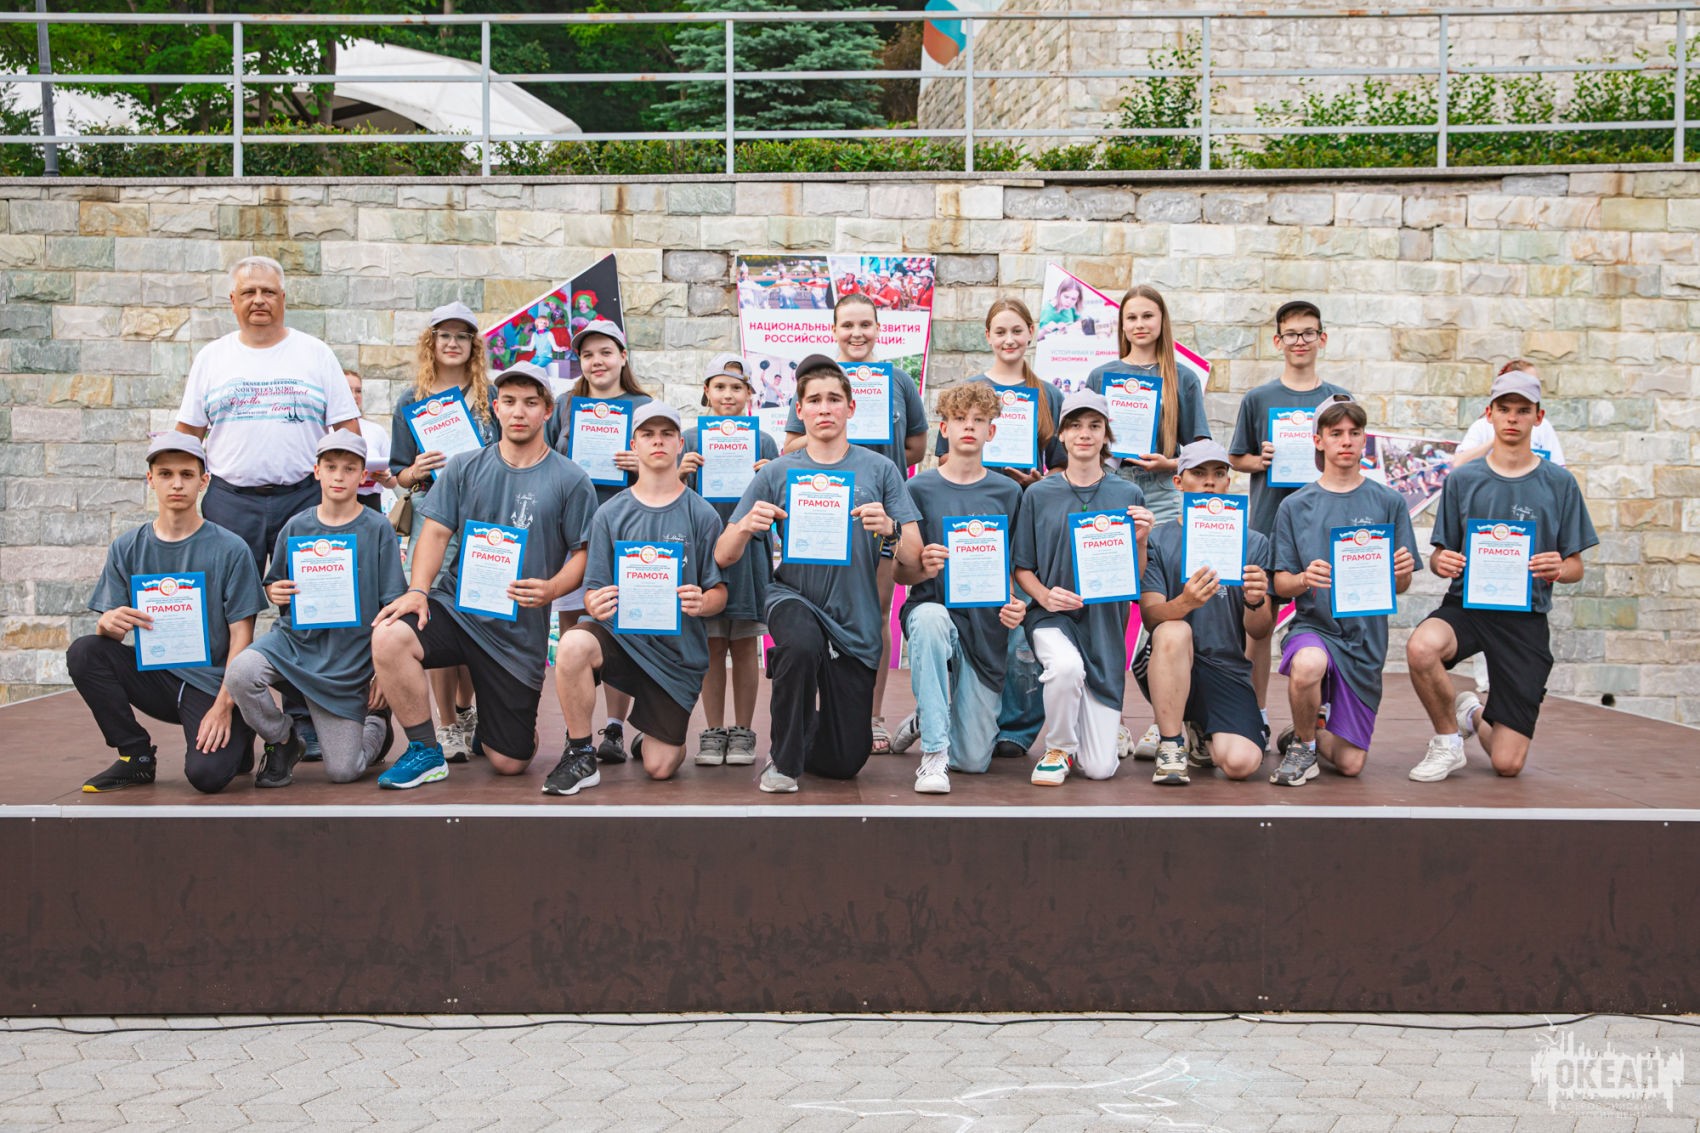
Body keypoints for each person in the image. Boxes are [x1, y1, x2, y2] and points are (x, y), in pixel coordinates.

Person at [370, 361, 598, 790]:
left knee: (509, 762)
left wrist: (552, 588)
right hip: (457, 610)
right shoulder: (464, 467)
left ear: (547, 411)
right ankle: (424, 750)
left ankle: (501, 726)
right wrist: (418, 590)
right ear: (496, 408)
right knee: (389, 635)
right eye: (509, 401)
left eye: (530, 403)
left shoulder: (571, 479)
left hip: (515, 636)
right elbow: (436, 532)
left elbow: (584, 553)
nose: (518, 412)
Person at [718, 355, 922, 793]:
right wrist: (746, 525)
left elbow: (915, 557)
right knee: (801, 644)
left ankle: (807, 726)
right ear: (800, 410)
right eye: (814, 400)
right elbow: (723, 554)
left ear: (851, 407)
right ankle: (783, 761)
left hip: (854, 618)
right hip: (793, 597)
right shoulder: (777, 472)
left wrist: (891, 528)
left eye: (834, 399)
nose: (824, 408)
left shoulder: (880, 470)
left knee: (844, 762)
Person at [1405, 369, 1598, 782]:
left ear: (1538, 417)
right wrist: (1442, 563)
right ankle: (1447, 741)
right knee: (1422, 647)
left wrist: (1559, 568)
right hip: (1467, 607)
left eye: (1523, 410)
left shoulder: (1560, 484)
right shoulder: (1463, 479)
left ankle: (1472, 714)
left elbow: (1576, 567)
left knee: (1508, 764)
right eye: (1505, 409)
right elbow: (1440, 555)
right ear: (1489, 414)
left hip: (1524, 617)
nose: (1513, 418)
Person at [67, 433, 266, 794]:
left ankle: (240, 728)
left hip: (211, 684)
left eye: (187, 475)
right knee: (85, 651)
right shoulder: (127, 547)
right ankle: (136, 755)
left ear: (204, 481)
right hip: (155, 676)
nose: (176, 484)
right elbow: (113, 633)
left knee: (207, 776)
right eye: (166, 474)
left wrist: (224, 705)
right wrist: (106, 623)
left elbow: (243, 635)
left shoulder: (230, 548)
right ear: (151, 480)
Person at [546, 403, 728, 796]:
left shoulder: (703, 515)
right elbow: (592, 589)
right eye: (648, 434)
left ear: (680, 444)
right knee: (574, 644)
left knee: (660, 767)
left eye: (666, 434)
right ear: (634, 444)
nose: (657, 441)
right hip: (623, 642)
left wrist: (703, 602)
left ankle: (654, 733)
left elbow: (719, 593)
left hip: (674, 658)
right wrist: (594, 604)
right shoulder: (609, 513)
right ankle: (580, 753)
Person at [781, 293, 929, 756]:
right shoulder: (815, 384)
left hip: (874, 515)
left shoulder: (899, 381)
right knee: (813, 616)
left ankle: (872, 715)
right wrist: (835, 434)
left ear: (879, 329)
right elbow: (790, 446)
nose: (857, 333)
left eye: (866, 324)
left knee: (877, 613)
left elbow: (917, 447)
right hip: (822, 514)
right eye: (847, 325)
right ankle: (816, 711)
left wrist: (871, 464)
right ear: (833, 330)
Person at [224, 430, 407, 787]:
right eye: (331, 467)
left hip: (349, 660)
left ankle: (375, 726)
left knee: (344, 771)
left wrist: (383, 671)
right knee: (240, 674)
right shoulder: (296, 526)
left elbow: (392, 605)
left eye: (349, 468)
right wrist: (275, 590)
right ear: (316, 471)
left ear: (363, 475)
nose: (339, 476)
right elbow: (275, 583)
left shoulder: (378, 528)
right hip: (296, 646)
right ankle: (283, 739)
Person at [934, 298, 1066, 762]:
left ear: (1031, 332)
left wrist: (1037, 481)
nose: (1009, 339)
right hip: (974, 519)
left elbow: (1061, 466)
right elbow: (943, 458)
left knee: (1020, 623)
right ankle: (956, 714)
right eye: (1000, 331)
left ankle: (1016, 727)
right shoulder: (969, 391)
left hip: (1024, 514)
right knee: (972, 619)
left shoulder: (1049, 395)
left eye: (1017, 330)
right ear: (988, 336)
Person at [1269, 396, 1421, 786]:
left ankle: (1308, 731)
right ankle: (1304, 749)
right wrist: (1305, 579)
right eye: (1336, 433)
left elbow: (1401, 585)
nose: (1346, 441)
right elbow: (1281, 584)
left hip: (1365, 640)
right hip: (1315, 628)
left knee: (1351, 764)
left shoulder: (1388, 502)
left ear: (1364, 439)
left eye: (1354, 433)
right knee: (1307, 665)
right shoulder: (1295, 506)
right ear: (1318, 440)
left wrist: (1401, 573)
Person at [175, 255, 360, 575]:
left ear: (283, 298)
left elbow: (348, 430)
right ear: (233, 301)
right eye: (248, 292)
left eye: (268, 292)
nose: (259, 300)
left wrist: (344, 491)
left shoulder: (316, 354)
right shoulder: (211, 358)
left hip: (305, 498)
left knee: (310, 592)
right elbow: (187, 434)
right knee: (225, 593)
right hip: (230, 502)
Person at [1011, 391, 1154, 787]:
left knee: (1099, 769)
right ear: (1061, 434)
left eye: (1094, 425)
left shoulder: (1128, 495)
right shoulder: (1038, 494)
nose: (1084, 434)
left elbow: (1134, 578)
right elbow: (1022, 567)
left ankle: (1077, 732)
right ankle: (1058, 747)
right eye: (1075, 426)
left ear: (1106, 434)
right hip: (1051, 617)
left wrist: (1142, 541)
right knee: (1066, 668)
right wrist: (1044, 596)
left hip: (1103, 627)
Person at [1228, 300, 1353, 744]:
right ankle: (1256, 713)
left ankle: (1319, 716)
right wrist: (1258, 459)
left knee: (1328, 621)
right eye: (1292, 334)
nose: (1300, 341)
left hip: (1322, 527)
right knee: (1258, 624)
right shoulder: (1258, 399)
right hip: (1268, 524)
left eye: (1308, 332)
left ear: (1322, 338)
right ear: (1278, 341)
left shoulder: (1339, 400)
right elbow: (1236, 457)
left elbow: (1350, 459)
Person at [891, 383, 1026, 792]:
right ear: (944, 428)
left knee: (971, 761)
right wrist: (923, 568)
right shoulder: (918, 489)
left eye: (979, 420)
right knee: (930, 619)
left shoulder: (1009, 492)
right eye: (960, 419)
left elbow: (1017, 567)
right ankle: (933, 753)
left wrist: (1016, 603)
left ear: (991, 431)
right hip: (934, 612)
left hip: (985, 626)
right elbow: (900, 574)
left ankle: (927, 716)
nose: (969, 426)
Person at [389, 300, 495, 764]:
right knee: (432, 614)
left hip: (485, 521)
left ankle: (466, 708)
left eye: (462, 336)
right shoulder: (410, 400)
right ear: (431, 342)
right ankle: (447, 725)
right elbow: (397, 473)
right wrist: (415, 470)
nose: (453, 343)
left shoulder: (492, 394)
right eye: (444, 335)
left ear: (474, 344)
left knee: (478, 615)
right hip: (433, 518)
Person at [547, 318, 654, 765]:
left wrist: (642, 465)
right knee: (574, 630)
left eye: (606, 352)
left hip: (626, 531)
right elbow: (545, 458)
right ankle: (578, 731)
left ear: (623, 356)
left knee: (620, 626)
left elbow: (669, 470)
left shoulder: (645, 406)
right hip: (573, 533)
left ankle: (614, 726)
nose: (597, 361)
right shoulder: (564, 405)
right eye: (587, 354)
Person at [1137, 440, 1275, 785]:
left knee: (1241, 764)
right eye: (1198, 473)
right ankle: (1171, 744)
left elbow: (1259, 631)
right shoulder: (1159, 539)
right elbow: (1150, 617)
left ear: (1229, 481)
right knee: (1174, 630)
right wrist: (1186, 602)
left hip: (1226, 667)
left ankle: (1200, 728)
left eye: (1218, 473)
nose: (1209, 481)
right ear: (1179, 482)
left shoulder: (1254, 542)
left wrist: (1256, 600)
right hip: (1172, 658)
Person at [679, 358, 779, 768]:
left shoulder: (765, 442)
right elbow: (670, 498)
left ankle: (743, 730)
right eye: (720, 387)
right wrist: (681, 473)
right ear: (706, 391)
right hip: (703, 553)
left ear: (749, 395)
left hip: (750, 554)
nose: (728, 395)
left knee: (745, 643)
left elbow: (782, 504)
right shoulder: (689, 439)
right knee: (712, 643)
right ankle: (713, 729)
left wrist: (772, 475)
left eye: (737, 388)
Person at [1086, 285, 1212, 523]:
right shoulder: (1100, 376)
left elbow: (1202, 453)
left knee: (1165, 548)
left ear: (1162, 320)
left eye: (1147, 316)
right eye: (1131, 318)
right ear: (1122, 325)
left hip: (1163, 490)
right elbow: (1085, 439)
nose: (1139, 324)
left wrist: (1169, 464)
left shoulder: (1184, 378)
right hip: (1111, 482)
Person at [344, 369, 395, 513]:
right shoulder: (323, 429)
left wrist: (385, 478)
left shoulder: (376, 430)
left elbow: (394, 480)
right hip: (334, 503)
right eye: (347, 390)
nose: (354, 396)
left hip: (370, 503)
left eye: (358, 391)